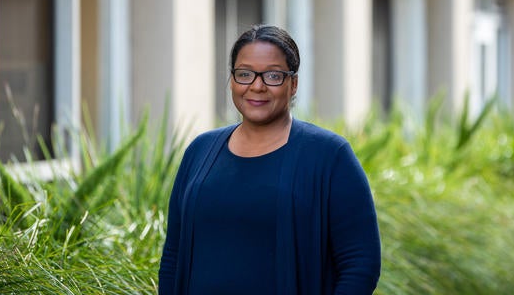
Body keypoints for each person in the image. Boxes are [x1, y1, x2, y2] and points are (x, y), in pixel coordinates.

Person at [158, 24, 381, 294]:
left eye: (273, 76)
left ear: (293, 83)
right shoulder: (200, 152)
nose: (257, 86)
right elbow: (173, 255)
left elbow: (361, 263)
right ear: (232, 80)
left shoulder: (329, 156)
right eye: (244, 74)